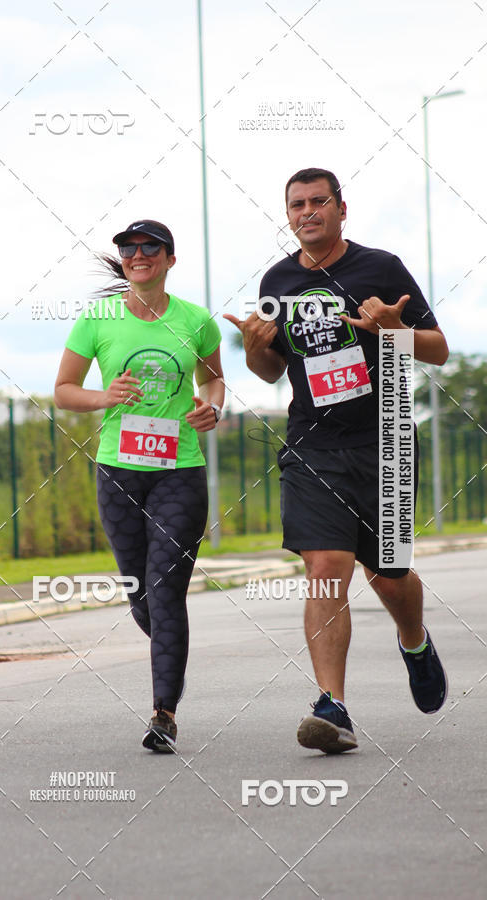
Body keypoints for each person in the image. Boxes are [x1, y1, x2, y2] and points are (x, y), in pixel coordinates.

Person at [225, 168, 448, 754]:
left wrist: (397, 330)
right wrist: (253, 350)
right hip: (313, 444)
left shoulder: (381, 268)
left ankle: (415, 641)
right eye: (296, 204)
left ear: (341, 209)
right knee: (326, 563)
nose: (306, 212)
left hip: (389, 438)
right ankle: (334, 707)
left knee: (390, 576)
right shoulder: (276, 280)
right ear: (288, 214)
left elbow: (440, 350)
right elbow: (273, 370)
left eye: (317, 201)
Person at [55, 220, 224, 753]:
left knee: (165, 587)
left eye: (150, 247)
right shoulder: (97, 318)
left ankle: (163, 712)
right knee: (140, 594)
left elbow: (212, 378)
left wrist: (212, 406)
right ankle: (172, 651)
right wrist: (106, 397)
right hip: (118, 470)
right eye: (128, 249)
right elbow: (63, 391)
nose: (137, 254)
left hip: (179, 469)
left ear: (169, 259)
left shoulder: (196, 320)